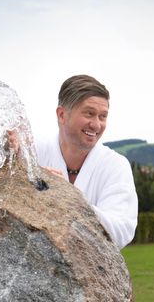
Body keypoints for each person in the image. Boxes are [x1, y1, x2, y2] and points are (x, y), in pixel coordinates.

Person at [11, 74, 138, 248]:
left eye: (103, 116)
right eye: (89, 114)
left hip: (89, 272)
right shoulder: (31, 151)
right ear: (62, 115)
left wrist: (68, 197)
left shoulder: (115, 166)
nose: (96, 125)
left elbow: (120, 232)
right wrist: (6, 151)